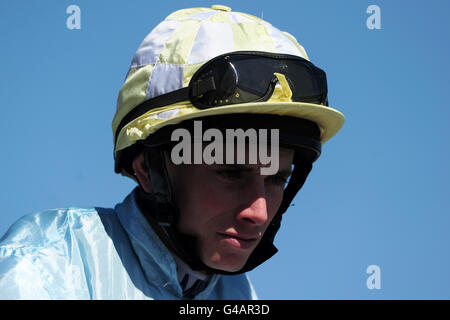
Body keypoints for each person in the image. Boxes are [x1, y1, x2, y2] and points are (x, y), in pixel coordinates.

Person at [0, 5, 344, 299]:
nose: (259, 211)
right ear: (147, 170)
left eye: (278, 178)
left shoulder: (238, 293)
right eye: (231, 172)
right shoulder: (45, 265)